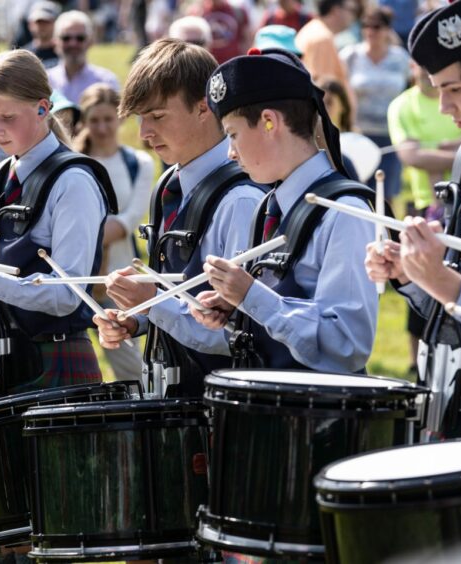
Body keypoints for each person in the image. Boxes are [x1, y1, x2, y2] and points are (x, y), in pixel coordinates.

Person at [366, 0, 461, 437]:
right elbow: (451, 308)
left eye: (455, 89)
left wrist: (444, 283)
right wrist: (413, 275)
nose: (444, 107)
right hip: (460, 406)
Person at [0, 49, 113, 395]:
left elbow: (69, 292)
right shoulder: (1, 174)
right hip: (1, 361)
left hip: (55, 357)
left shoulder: (73, 180)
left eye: (7, 117)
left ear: (43, 108)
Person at [189, 48, 377, 378]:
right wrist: (237, 308)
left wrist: (252, 296)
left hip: (318, 418)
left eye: (233, 135)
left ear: (268, 121)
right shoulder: (269, 205)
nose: (231, 152)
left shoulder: (344, 212)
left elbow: (348, 343)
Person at [93, 39, 265, 397]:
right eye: (140, 118)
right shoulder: (169, 184)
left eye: (156, 116)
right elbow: (174, 295)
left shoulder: (241, 200)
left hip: (219, 407)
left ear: (204, 108)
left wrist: (152, 302)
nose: (143, 133)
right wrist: (136, 317)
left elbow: (237, 333)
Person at [387, 57, 461, 374]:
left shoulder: (457, 100)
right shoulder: (402, 105)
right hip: (423, 205)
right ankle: (416, 361)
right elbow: (411, 156)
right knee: (415, 282)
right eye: (419, 66)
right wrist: (456, 150)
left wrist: (446, 152)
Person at [74, 82, 154, 380]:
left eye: (108, 119)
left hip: (120, 278)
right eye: (94, 120)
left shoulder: (138, 163)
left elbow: (132, 218)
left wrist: (94, 235)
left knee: (129, 366)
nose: (102, 128)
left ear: (119, 119)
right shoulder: (75, 162)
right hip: (77, 277)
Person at [340, 6, 411, 200]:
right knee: (357, 192)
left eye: (377, 26)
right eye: (366, 26)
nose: (371, 31)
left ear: (388, 29)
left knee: (386, 194)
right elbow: (339, 92)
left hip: (390, 135)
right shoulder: (350, 56)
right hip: (359, 134)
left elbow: (411, 90)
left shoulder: (401, 58)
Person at [47, 10, 120, 104]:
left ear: (90, 41)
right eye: (66, 38)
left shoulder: (106, 81)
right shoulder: (46, 81)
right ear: (55, 41)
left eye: (80, 38)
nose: (73, 43)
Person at [296, 0, 357, 95]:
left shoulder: (316, 31)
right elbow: (324, 89)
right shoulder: (322, 38)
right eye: (351, 10)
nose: (353, 16)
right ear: (336, 10)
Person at [22, 1, 61, 69]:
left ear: (55, 23)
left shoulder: (65, 51)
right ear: (30, 25)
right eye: (39, 22)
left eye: (46, 22)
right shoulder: (24, 55)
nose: (42, 26)